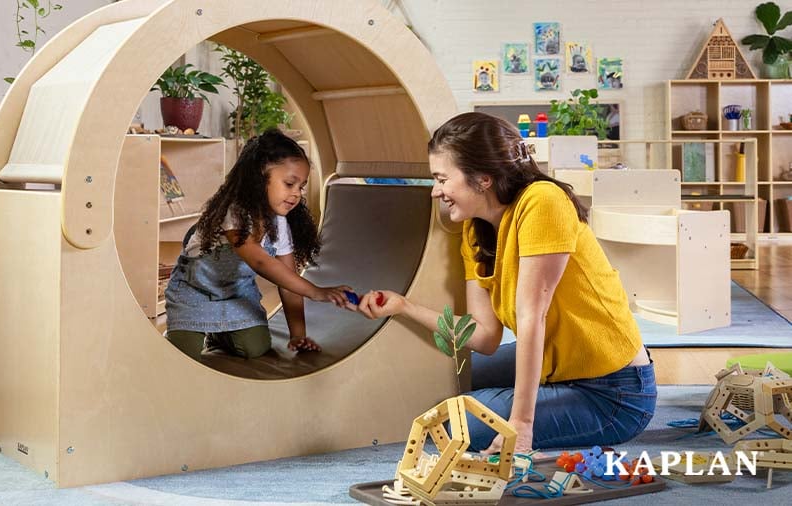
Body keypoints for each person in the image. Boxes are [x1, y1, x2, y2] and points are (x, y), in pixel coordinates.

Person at [358, 112, 656, 454]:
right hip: (554, 365)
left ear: (482, 179)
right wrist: (404, 307)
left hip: (613, 393)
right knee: (440, 377)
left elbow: (532, 318)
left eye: (442, 179)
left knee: (453, 422)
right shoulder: (474, 229)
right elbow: (483, 336)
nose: (435, 192)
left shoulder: (543, 201)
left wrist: (521, 426)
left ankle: (524, 411)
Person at [165, 129, 353, 362]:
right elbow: (260, 260)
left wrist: (298, 335)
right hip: (195, 293)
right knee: (182, 355)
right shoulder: (234, 212)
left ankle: (219, 335)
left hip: (236, 293)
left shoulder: (280, 223)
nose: (296, 194)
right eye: (289, 184)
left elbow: (288, 281)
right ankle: (188, 331)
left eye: (301, 187)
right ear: (259, 177)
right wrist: (316, 292)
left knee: (255, 347)